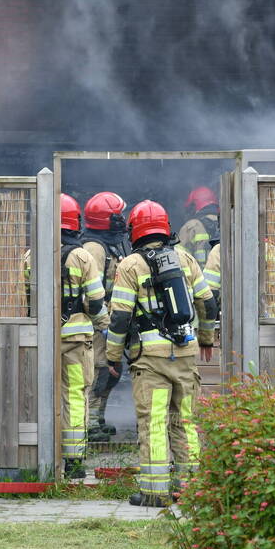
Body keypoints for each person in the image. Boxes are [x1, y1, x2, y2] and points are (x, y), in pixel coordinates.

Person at [105, 200, 217, 507]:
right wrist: (206, 339)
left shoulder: (130, 266)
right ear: (166, 228)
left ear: (136, 231)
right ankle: (192, 490)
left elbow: (119, 318)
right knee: (185, 421)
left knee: (153, 422)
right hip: (185, 352)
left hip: (150, 359)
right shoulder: (186, 259)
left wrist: (113, 355)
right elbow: (208, 303)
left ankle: (155, 492)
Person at [58, 193, 110, 479]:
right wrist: (106, 327)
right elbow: (95, 301)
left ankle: (45, 456)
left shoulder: (33, 253)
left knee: (44, 396)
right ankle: (74, 461)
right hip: (76, 341)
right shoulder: (81, 256)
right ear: (73, 220)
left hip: (42, 340)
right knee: (75, 397)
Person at [80, 191, 130, 443]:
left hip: (108, 322)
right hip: (96, 324)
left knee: (111, 372)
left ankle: (98, 417)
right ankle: (89, 424)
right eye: (117, 214)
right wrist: (103, 325)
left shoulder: (109, 244)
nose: (122, 218)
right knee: (100, 371)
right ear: (105, 219)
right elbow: (91, 295)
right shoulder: (94, 248)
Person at [177, 186, 219, 265]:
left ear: (194, 205)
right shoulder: (226, 223)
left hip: (199, 276)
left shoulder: (191, 226)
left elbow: (180, 259)